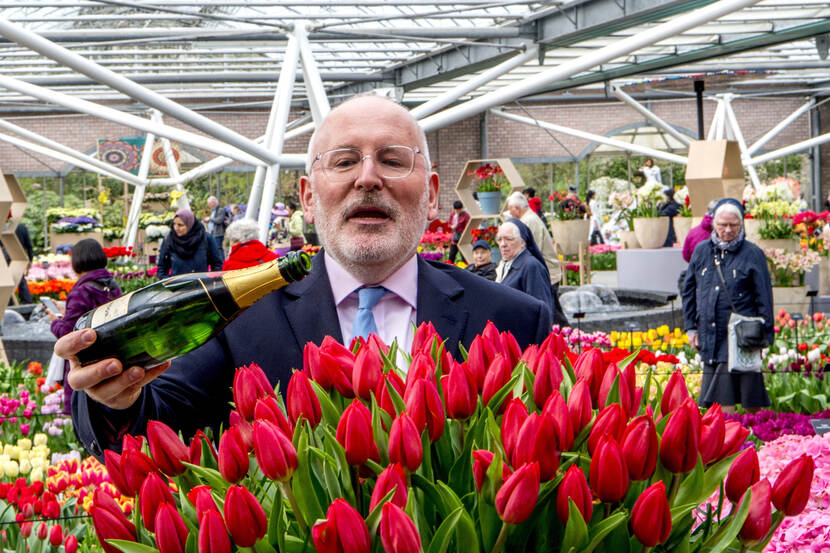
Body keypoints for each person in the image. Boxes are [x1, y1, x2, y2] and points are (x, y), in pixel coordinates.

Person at [59, 95, 552, 459]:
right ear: (309, 197)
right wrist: (114, 398)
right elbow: (156, 422)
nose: (367, 178)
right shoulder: (239, 318)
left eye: (392, 160)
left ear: (431, 195)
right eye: (343, 162)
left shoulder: (513, 319)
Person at [682, 198, 773, 414]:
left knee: (749, 397)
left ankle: (751, 435)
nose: (728, 230)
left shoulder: (753, 254)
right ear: (713, 224)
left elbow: (764, 296)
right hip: (710, 334)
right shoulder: (702, 251)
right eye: (722, 225)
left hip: (743, 336)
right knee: (720, 401)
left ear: (741, 225)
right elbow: (688, 291)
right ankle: (730, 437)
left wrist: (765, 336)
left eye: (733, 225)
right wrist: (691, 328)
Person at [45, 239, 122, 415]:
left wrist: (55, 320)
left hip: (85, 364)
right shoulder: (112, 286)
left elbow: (67, 333)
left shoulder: (81, 291)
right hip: (111, 359)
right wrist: (67, 310)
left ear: (77, 262)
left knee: (85, 416)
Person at [506, 192, 568, 326]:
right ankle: (566, 337)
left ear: (517, 208)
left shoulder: (529, 221)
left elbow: (530, 249)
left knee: (551, 312)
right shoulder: (528, 219)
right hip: (546, 271)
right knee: (553, 311)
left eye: (510, 209)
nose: (509, 212)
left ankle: (567, 338)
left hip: (546, 272)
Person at [495, 219, 554, 308]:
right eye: (499, 239)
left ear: (522, 242)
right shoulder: (505, 264)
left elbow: (541, 308)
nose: (503, 244)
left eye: (509, 239)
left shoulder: (531, 266)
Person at [157, 208, 223, 278]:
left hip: (201, 286)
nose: (176, 228)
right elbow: (162, 268)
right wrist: (170, 285)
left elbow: (217, 265)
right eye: (174, 224)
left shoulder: (206, 239)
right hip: (178, 287)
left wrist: (210, 282)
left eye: (180, 225)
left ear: (190, 224)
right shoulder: (169, 240)